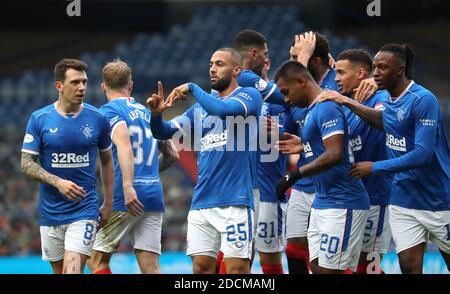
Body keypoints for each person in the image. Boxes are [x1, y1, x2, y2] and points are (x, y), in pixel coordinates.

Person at [319, 43, 450, 274]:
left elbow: (422, 154)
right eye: (374, 67)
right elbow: (384, 122)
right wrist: (349, 101)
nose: (376, 72)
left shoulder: (423, 99)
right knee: (409, 265)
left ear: (400, 69)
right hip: (402, 198)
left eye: (382, 67)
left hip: (437, 198)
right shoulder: (388, 99)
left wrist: (375, 167)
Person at [147, 47, 262, 274]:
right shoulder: (199, 110)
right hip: (202, 203)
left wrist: (191, 87)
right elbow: (163, 132)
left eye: (220, 64)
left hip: (236, 201)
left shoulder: (249, 96)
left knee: (237, 271)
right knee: (200, 269)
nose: (212, 69)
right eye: (211, 64)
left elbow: (223, 109)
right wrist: (157, 114)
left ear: (237, 70)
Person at [274, 61, 370, 274]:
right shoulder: (312, 110)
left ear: (301, 81)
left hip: (343, 201)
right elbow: (321, 147)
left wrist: (294, 175)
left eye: (286, 92)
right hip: (323, 201)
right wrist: (303, 144)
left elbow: (335, 154)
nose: (286, 99)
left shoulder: (326, 105)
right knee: (317, 267)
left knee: (330, 270)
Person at [21, 58, 114, 274]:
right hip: (50, 212)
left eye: (84, 82)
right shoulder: (40, 119)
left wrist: (108, 202)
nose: (81, 87)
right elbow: (26, 163)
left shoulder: (98, 118)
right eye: (75, 82)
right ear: (59, 86)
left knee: (72, 271)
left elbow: (107, 160)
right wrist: (57, 182)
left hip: (84, 209)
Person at [86, 59, 179, 274]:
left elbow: (125, 145)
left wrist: (128, 185)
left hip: (124, 196)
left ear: (103, 87)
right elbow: (173, 154)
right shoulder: (149, 113)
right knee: (151, 268)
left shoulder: (108, 112)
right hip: (153, 195)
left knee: (94, 258)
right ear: (131, 85)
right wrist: (148, 175)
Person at [233, 29, 288, 274]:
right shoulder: (235, 94)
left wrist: (281, 133)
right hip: (240, 189)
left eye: (269, 59)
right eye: (264, 57)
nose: (266, 62)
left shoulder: (281, 100)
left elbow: (301, 131)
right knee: (235, 255)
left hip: (269, 191)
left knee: (269, 257)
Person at [334, 49, 392, 274]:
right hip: (352, 198)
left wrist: (349, 102)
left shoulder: (381, 97)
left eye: (341, 72)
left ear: (360, 74)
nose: (336, 78)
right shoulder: (346, 103)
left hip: (377, 195)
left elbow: (384, 121)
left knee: (369, 268)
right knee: (347, 263)